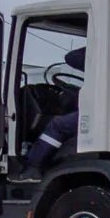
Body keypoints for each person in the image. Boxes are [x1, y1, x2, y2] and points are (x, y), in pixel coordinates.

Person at [22, 46, 86, 178]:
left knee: (57, 125)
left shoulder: (104, 59)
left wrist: (95, 45)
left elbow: (71, 57)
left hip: (101, 117)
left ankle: (34, 166)